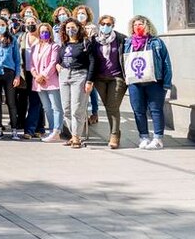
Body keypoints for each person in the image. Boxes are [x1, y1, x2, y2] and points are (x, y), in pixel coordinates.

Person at [124, 15, 172, 150]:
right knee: (138, 110)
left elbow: (166, 63)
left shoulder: (156, 42)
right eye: (135, 25)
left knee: (156, 110)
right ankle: (144, 137)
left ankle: (158, 138)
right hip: (135, 81)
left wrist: (167, 83)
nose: (137, 27)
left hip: (154, 81)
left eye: (140, 24)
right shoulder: (128, 43)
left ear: (147, 26)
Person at [58, 19, 95, 149]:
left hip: (79, 75)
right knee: (66, 109)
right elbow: (60, 58)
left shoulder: (85, 43)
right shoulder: (64, 44)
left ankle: (76, 137)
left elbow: (92, 62)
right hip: (64, 76)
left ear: (79, 28)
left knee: (77, 108)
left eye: (73, 27)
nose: (70, 30)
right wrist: (59, 65)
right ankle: (73, 134)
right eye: (67, 28)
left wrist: (89, 81)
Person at [93, 15, 127, 149]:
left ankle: (114, 135)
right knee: (108, 106)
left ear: (113, 26)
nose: (105, 26)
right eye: (103, 23)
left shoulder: (121, 39)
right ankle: (114, 132)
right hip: (100, 78)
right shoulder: (94, 39)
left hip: (117, 77)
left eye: (108, 24)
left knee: (113, 106)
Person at [31, 23, 63, 142]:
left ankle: (57, 130)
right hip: (38, 81)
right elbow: (32, 64)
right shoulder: (35, 47)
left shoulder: (54, 46)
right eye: (42, 31)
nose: (44, 33)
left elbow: (53, 62)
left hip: (50, 80)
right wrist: (36, 75)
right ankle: (51, 130)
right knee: (46, 107)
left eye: (47, 31)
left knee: (56, 107)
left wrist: (43, 75)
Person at [18, 14, 45, 139]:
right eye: (27, 23)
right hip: (26, 73)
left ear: (37, 23)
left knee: (35, 100)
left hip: (39, 74)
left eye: (32, 22)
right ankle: (40, 128)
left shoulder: (42, 37)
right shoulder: (22, 38)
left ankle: (29, 129)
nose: (30, 25)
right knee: (33, 100)